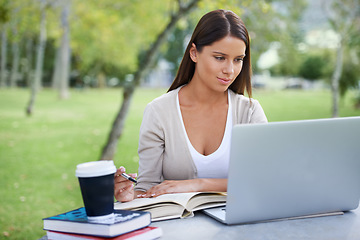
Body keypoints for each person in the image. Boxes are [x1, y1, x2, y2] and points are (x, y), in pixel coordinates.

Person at [114, 9, 267, 202]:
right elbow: (148, 188)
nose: (230, 70)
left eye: (238, 60)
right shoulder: (159, 112)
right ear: (194, 53)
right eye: (220, 58)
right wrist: (130, 195)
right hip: (178, 227)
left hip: (237, 224)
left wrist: (197, 184)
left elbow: (260, 179)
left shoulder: (250, 112)